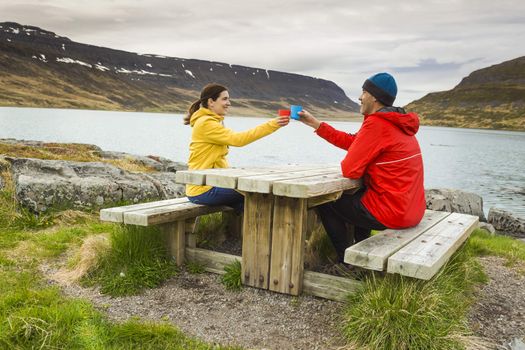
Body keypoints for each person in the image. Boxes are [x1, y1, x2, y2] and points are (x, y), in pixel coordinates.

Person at [297, 72, 426, 264]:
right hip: (413, 210)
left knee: (325, 203)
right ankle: (361, 252)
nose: (359, 97)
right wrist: (316, 124)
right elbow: (354, 142)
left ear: (374, 97)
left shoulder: (378, 124)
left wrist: (361, 162)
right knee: (359, 197)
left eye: (364, 92)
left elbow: (349, 170)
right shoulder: (397, 122)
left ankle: (346, 261)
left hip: (394, 213)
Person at [184, 83, 290, 212]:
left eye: (228, 99)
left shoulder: (212, 121)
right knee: (259, 194)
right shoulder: (206, 123)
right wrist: (272, 124)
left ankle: (244, 231)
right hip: (203, 189)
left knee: (251, 204)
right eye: (224, 99)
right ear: (211, 102)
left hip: (212, 184)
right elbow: (238, 140)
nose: (229, 103)